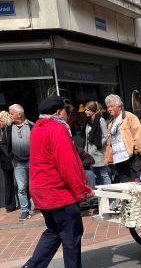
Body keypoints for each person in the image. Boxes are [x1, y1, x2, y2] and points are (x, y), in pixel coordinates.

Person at [24, 96, 94, 268]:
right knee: (71, 235)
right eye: (65, 112)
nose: (67, 115)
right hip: (58, 191)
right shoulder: (56, 128)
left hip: (43, 190)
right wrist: (81, 188)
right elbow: (66, 163)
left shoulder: (37, 128)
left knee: (54, 231)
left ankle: (31, 266)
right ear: (57, 113)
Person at [1, 104, 34, 220]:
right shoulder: (9, 127)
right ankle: (25, 211)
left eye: (11, 113)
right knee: (21, 188)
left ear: (19, 114)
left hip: (32, 161)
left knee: (35, 185)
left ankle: (41, 207)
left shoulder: (31, 125)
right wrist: (10, 156)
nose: (9, 115)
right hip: (17, 163)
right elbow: (4, 144)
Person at [104, 94, 141, 182]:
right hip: (119, 159)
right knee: (125, 186)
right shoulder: (111, 123)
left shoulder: (129, 117)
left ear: (119, 106)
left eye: (112, 106)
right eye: (108, 107)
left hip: (132, 157)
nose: (109, 109)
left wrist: (137, 151)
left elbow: (138, 134)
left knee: (137, 183)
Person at [80, 101, 110, 186]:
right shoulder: (87, 122)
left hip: (99, 152)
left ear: (93, 111)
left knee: (104, 174)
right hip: (90, 153)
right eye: (85, 110)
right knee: (96, 175)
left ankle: (109, 195)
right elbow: (86, 138)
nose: (85, 111)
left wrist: (98, 145)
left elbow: (106, 136)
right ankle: (100, 195)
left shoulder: (100, 120)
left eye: (87, 110)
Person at [0, 111, 17, 213]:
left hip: (15, 158)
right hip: (5, 160)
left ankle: (27, 203)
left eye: (1, 120)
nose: (0, 122)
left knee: (22, 183)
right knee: (8, 183)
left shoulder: (11, 128)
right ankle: (10, 206)